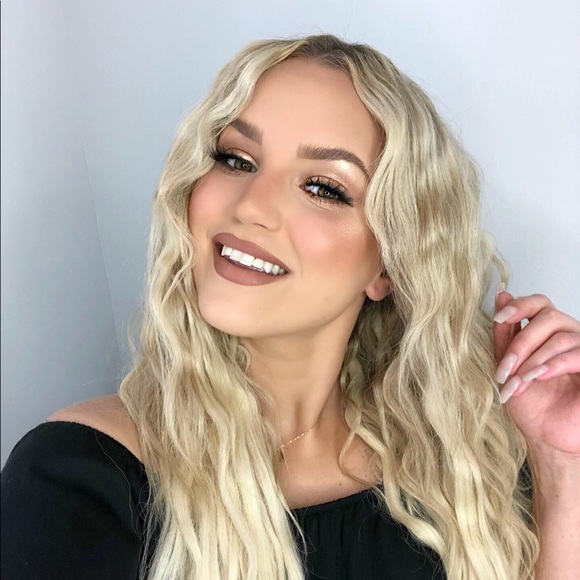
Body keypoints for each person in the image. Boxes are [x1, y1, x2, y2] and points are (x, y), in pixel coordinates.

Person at [1, 34, 579, 580]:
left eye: (323, 188)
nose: (251, 206)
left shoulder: (466, 463)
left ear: (388, 266)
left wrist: (561, 465)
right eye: (236, 159)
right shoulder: (78, 480)